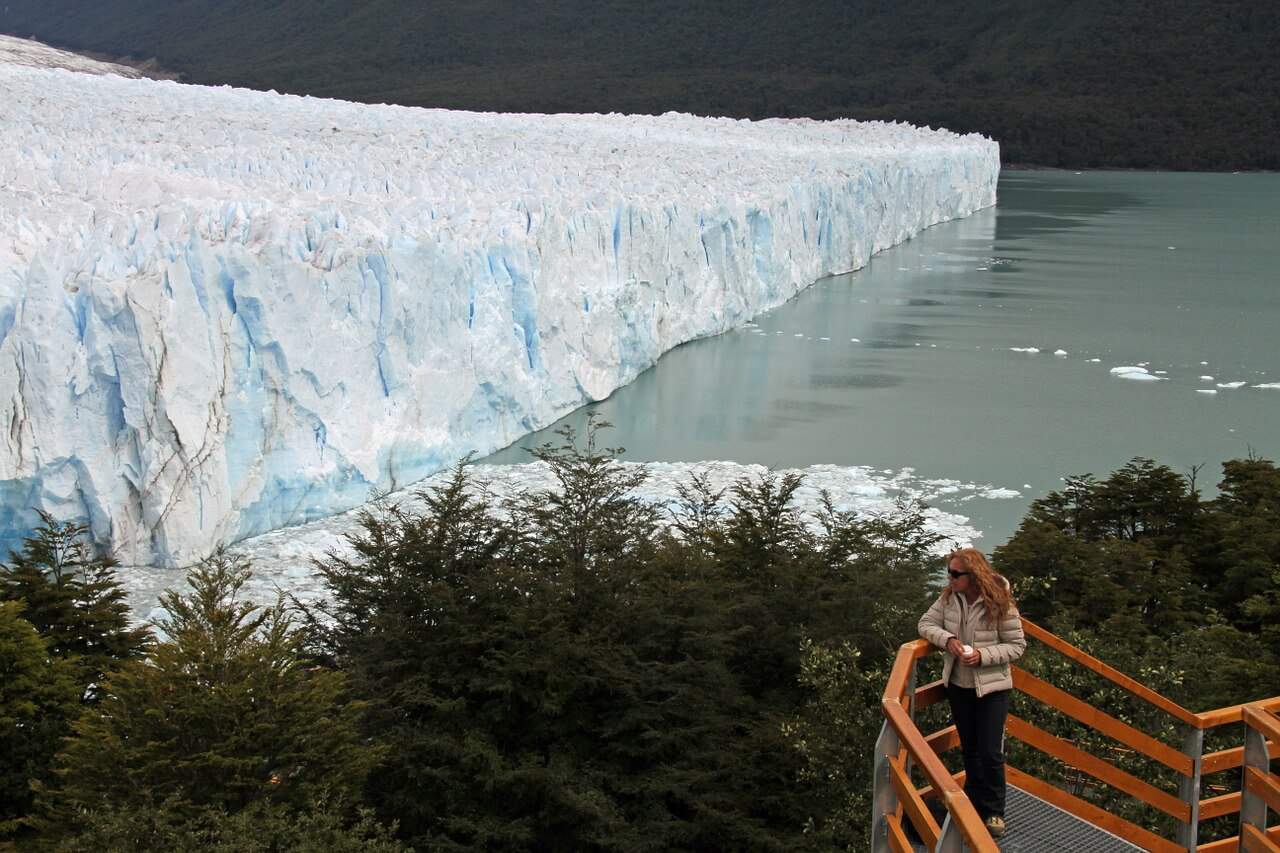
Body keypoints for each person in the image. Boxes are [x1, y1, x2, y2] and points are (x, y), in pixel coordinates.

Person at [918, 547, 1025, 839]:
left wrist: (982, 656)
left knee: (991, 751)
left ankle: (994, 813)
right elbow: (925, 624)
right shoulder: (949, 598)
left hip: (992, 687)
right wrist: (948, 639)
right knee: (971, 749)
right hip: (959, 685)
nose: (950, 578)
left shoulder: (999, 601)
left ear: (973, 575)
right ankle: (975, 806)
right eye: (949, 572)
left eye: (955, 574)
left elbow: (1017, 645)